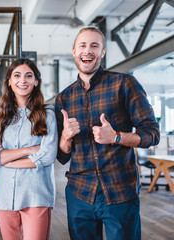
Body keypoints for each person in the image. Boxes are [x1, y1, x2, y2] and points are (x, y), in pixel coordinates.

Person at [54, 27, 160, 240]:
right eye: (82, 45)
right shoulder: (63, 98)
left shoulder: (125, 83)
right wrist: (65, 137)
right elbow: (62, 155)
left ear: (103, 52)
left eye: (95, 46)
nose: (88, 51)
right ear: (74, 51)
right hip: (80, 193)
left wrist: (116, 137)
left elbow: (152, 133)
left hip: (120, 190)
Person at [0, 58, 58, 240]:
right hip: (5, 197)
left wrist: (7, 161)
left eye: (28, 76)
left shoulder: (47, 115)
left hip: (36, 196)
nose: (22, 81)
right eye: (17, 75)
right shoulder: (2, 119)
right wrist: (28, 150)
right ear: (9, 81)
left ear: (36, 82)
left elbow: (47, 156)